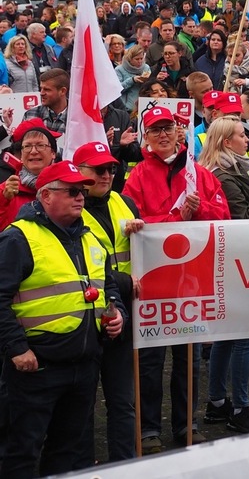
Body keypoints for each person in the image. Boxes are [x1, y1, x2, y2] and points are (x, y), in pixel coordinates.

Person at [0, 160, 126, 478]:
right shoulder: (18, 238)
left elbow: (109, 287)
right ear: (45, 196)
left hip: (83, 367)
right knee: (22, 451)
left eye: (82, 190)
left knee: (66, 451)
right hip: (36, 368)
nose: (80, 196)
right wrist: (16, 348)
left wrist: (118, 317)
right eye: (71, 191)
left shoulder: (88, 238)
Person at [122, 106, 230, 452]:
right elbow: (129, 223)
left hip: (191, 283)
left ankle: (187, 424)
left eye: (168, 129)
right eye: (155, 131)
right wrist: (173, 216)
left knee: (188, 360)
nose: (163, 135)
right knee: (150, 362)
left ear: (179, 132)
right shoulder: (137, 176)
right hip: (152, 283)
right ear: (147, 138)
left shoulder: (199, 174)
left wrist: (197, 210)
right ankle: (149, 428)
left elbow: (222, 218)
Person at [198, 116, 249, 434]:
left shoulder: (228, 170)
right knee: (245, 336)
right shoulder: (225, 175)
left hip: (229, 262)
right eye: (243, 136)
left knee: (228, 338)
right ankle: (240, 407)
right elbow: (244, 219)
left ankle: (217, 403)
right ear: (227, 142)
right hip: (235, 263)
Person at [77, 141, 144, 464]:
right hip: (86, 317)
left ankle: (124, 463)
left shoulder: (124, 202)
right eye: (98, 170)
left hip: (124, 313)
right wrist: (123, 282)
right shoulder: (68, 211)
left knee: (122, 401)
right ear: (78, 173)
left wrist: (142, 233)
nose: (106, 175)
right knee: (82, 404)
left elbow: (142, 256)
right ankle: (85, 465)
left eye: (111, 169)